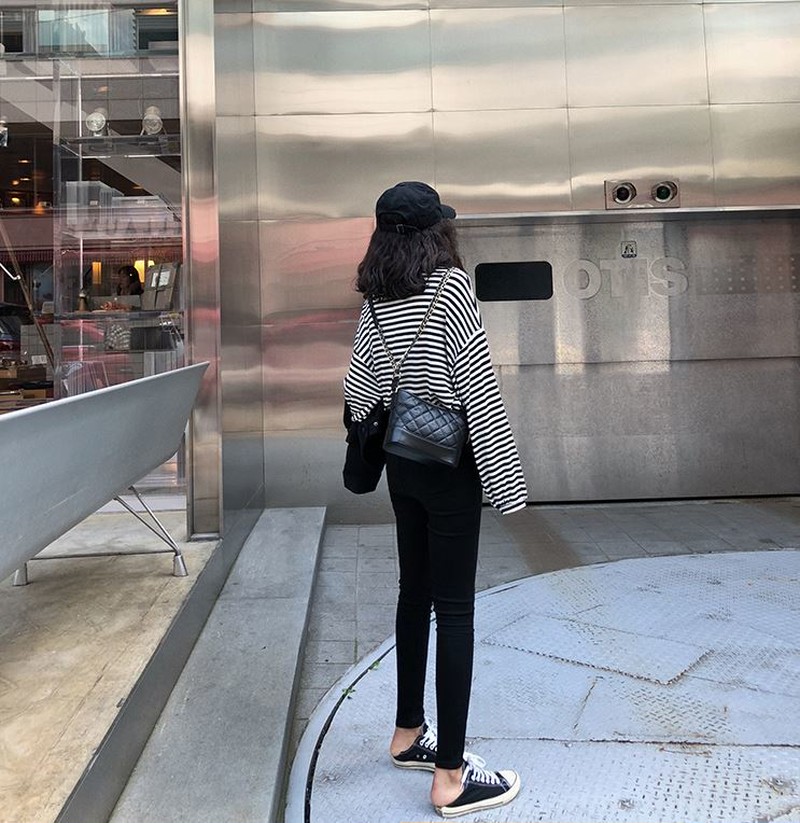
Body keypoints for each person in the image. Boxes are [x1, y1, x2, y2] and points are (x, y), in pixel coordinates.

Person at [343, 181, 527, 818]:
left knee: (412, 594)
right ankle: (450, 776)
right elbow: (477, 386)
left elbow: (358, 390)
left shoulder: (377, 296)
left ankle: (406, 734)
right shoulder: (450, 287)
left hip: (403, 464)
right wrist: (507, 486)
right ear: (435, 232)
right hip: (449, 466)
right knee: (455, 612)